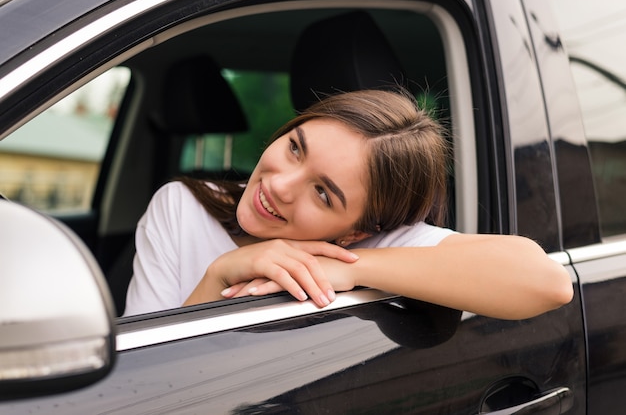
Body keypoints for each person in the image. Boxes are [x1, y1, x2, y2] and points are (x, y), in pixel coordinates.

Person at [123, 89, 573, 319]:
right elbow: (146, 385)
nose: (280, 185)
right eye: (295, 148)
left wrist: (351, 268)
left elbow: (548, 282)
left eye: (323, 193)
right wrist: (222, 271)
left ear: (357, 229)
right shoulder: (183, 208)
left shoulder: (370, 245)